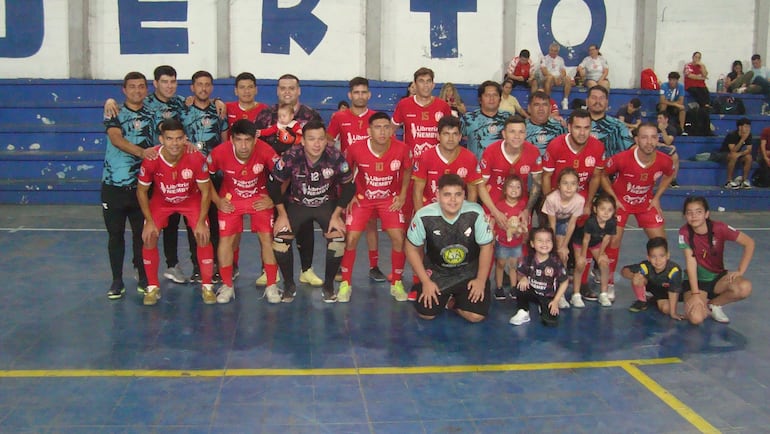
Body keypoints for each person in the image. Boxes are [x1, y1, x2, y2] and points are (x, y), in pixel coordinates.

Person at [267, 120, 355, 303]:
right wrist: (281, 215)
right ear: (303, 141)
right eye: (311, 139)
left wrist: (337, 215)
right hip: (297, 204)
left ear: (326, 141)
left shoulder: (335, 156)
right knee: (280, 242)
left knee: (338, 239)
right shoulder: (291, 156)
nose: (316, 144)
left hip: (326, 204)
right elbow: (273, 185)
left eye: (321, 139)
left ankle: (329, 286)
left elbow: (349, 187)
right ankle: (289, 285)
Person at [255, 74, 324, 288]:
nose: (287, 92)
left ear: (299, 90)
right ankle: (269, 271)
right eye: (283, 88)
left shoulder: (311, 115)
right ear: (277, 91)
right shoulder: (266, 116)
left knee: (304, 226)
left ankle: (306, 270)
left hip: (302, 183)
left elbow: (320, 146)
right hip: (273, 182)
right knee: (272, 227)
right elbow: (256, 147)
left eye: (291, 88)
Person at [136, 119, 215, 306]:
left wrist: (202, 222)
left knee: (203, 235)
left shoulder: (196, 158)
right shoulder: (152, 159)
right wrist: (149, 221)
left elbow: (206, 191)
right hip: (161, 202)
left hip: (191, 200)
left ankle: (208, 286)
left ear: (185, 139)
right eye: (170, 139)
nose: (175, 143)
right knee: (148, 236)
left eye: (179, 138)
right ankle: (152, 287)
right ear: (161, 139)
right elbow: (141, 191)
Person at [338, 112, 412, 301]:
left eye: (386, 127)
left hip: (389, 199)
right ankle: (346, 283)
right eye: (378, 127)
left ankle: (396, 282)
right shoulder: (355, 149)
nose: (382, 131)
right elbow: (345, 173)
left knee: (398, 237)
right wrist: (351, 194)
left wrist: (402, 195)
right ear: (369, 130)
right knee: (351, 238)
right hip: (363, 199)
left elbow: (408, 169)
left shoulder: (402, 148)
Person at [207, 119, 280, 304]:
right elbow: (203, 177)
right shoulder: (220, 152)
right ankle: (227, 285)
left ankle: (271, 284)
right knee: (226, 240)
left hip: (259, 197)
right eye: (239, 140)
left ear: (255, 139)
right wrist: (217, 201)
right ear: (231, 139)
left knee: (267, 238)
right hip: (230, 199)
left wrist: (273, 199)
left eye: (248, 140)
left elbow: (283, 176)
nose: (244, 145)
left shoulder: (265, 150)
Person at [601, 122, 675, 302]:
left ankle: (655, 281)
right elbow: (602, 174)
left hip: (645, 203)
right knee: (614, 240)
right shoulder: (622, 158)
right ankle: (609, 282)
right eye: (644, 137)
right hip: (622, 204)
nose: (649, 142)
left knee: (661, 243)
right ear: (636, 139)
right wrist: (614, 199)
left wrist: (657, 197)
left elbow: (670, 173)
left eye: (653, 137)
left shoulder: (664, 160)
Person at [405, 174, 494, 323]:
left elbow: (487, 247)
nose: (453, 200)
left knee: (476, 316)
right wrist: (426, 281)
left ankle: (453, 303)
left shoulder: (475, 212)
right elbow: (411, 248)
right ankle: (447, 299)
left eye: (458, 194)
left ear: (464, 195)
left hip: (468, 273)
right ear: (437, 195)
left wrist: (480, 280)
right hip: (438, 272)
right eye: (447, 195)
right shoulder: (424, 216)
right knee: (427, 313)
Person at [101, 71, 156, 299]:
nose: (137, 90)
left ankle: (143, 276)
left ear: (146, 89)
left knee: (141, 235)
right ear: (124, 90)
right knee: (115, 235)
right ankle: (117, 280)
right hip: (113, 186)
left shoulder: (153, 113)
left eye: (141, 86)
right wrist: (142, 152)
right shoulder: (114, 111)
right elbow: (115, 138)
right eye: (132, 87)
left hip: (142, 187)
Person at [327, 77, 388, 282]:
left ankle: (374, 265)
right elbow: (328, 142)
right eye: (356, 92)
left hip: (370, 178)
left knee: (370, 223)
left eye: (364, 92)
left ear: (369, 95)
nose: (360, 96)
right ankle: (340, 266)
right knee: (344, 221)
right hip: (346, 179)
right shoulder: (339, 117)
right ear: (350, 95)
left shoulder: (376, 119)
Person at [541, 109, 606, 300]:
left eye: (586, 128)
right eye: (577, 127)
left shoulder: (597, 147)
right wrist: (548, 201)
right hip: (556, 194)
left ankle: (582, 280)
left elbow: (595, 177)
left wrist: (588, 203)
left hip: (581, 195)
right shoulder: (555, 145)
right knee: (551, 238)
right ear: (569, 127)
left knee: (587, 232)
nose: (582, 132)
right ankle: (547, 279)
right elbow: (546, 176)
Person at [180, 70, 229, 283]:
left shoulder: (219, 110)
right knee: (195, 223)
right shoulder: (183, 110)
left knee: (217, 223)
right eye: (199, 84)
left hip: (215, 175)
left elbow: (226, 141)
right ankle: (198, 266)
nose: (203, 88)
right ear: (192, 87)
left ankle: (218, 266)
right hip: (190, 178)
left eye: (207, 84)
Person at [679, 196, 754, 325]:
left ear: (706, 214)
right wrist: (695, 294)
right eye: (689, 212)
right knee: (696, 319)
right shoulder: (684, 232)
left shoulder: (720, 228)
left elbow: (749, 243)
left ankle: (714, 304)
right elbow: (690, 264)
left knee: (744, 287)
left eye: (698, 212)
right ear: (685, 215)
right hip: (697, 281)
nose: (694, 216)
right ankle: (697, 301)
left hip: (718, 279)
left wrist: (740, 271)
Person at [477, 115, 543, 228]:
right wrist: (495, 212)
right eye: (512, 131)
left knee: (521, 238)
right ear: (504, 134)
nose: (517, 136)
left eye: (521, 132)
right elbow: (481, 185)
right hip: (493, 202)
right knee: (488, 241)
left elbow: (537, 184)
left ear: (526, 134)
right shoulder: (491, 151)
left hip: (520, 203)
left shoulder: (533, 152)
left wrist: (527, 209)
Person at [413, 116, 483, 211]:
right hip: (431, 208)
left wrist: (466, 217)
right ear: (438, 136)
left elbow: (472, 192)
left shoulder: (470, 158)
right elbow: (417, 192)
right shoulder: (425, 157)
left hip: (457, 209)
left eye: (455, 134)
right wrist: (421, 218)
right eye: (446, 134)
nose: (451, 139)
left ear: (460, 137)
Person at [510, 227, 570, 326]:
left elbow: (565, 281)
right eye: (540, 241)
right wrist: (523, 278)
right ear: (532, 244)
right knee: (520, 287)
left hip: (548, 296)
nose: (544, 244)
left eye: (548, 241)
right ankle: (523, 311)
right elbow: (519, 274)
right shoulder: (527, 259)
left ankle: (543, 306)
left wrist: (556, 301)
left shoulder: (555, 262)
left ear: (552, 243)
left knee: (550, 322)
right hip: (532, 292)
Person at [392, 67, 452, 161]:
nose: (425, 85)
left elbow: (450, 133)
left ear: (433, 85)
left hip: (436, 161)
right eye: (421, 81)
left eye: (428, 81)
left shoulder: (443, 106)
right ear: (415, 85)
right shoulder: (404, 104)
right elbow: (391, 130)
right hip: (412, 162)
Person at [570, 194, 616, 307]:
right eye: (602, 209)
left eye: (610, 210)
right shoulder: (591, 222)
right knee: (580, 264)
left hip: (595, 243)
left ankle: (603, 294)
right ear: (595, 209)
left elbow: (606, 238)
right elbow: (585, 240)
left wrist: (600, 255)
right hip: (580, 242)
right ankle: (575, 295)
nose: (606, 213)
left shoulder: (612, 222)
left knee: (604, 263)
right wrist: (582, 256)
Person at [621, 237, 684, 316]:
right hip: (654, 291)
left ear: (668, 255)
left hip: (668, 293)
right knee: (637, 279)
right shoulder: (646, 266)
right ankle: (642, 300)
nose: (658, 261)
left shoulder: (674, 270)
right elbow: (624, 270)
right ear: (648, 258)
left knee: (666, 309)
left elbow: (674, 291)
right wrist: (633, 276)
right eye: (653, 257)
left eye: (662, 256)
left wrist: (673, 313)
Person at [492, 175, 527, 300]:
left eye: (518, 187)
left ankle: (513, 287)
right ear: (505, 190)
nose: (514, 189)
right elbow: (494, 221)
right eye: (511, 186)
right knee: (501, 264)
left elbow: (523, 222)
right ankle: (499, 287)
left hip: (516, 242)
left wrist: (522, 231)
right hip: (502, 241)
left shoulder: (523, 205)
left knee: (513, 265)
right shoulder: (499, 205)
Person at [541, 168, 584, 268]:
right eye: (565, 183)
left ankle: (561, 275)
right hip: (549, 219)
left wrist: (564, 246)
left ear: (578, 186)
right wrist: (553, 245)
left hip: (566, 222)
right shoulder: (551, 199)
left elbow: (572, 224)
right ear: (559, 185)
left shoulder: (579, 201)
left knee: (563, 253)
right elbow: (552, 224)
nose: (569, 187)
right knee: (549, 249)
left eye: (573, 184)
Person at [461, 80, 512, 159]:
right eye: (487, 95)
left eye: (495, 95)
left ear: (500, 99)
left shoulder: (509, 118)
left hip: (502, 169)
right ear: (480, 99)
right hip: (476, 169)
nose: (491, 99)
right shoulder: (468, 118)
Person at [586, 85, 633, 158]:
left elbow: (632, 149)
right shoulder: (573, 124)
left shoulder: (618, 126)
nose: (598, 101)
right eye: (594, 98)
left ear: (607, 102)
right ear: (587, 101)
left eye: (601, 98)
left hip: (609, 167)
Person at [716, 117, 753, 189]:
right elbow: (733, 150)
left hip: (737, 154)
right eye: (746, 126)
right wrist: (742, 139)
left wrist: (740, 154)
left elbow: (749, 149)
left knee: (749, 157)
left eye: (749, 126)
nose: (748, 128)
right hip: (724, 154)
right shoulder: (732, 135)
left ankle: (744, 180)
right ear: (740, 127)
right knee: (734, 156)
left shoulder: (749, 135)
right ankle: (728, 181)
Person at [525, 90, 567, 155]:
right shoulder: (521, 128)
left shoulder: (560, 127)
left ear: (550, 108)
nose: (541, 108)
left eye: (545, 105)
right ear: (529, 108)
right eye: (536, 105)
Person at [535, 42, 573, 110]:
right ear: (549, 50)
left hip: (558, 79)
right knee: (549, 78)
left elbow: (563, 71)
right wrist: (554, 78)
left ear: (557, 51)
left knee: (567, 78)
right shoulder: (544, 58)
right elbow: (544, 72)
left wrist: (561, 77)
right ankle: (548, 100)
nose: (553, 52)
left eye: (555, 51)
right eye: (551, 50)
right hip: (548, 78)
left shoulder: (560, 59)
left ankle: (565, 100)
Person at [656, 112, 680, 187]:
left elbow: (668, 142)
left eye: (660, 118)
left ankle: (673, 180)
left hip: (666, 149)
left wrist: (663, 130)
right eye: (658, 118)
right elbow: (652, 141)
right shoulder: (654, 128)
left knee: (675, 156)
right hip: (654, 148)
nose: (658, 120)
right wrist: (661, 144)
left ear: (666, 119)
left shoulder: (671, 129)